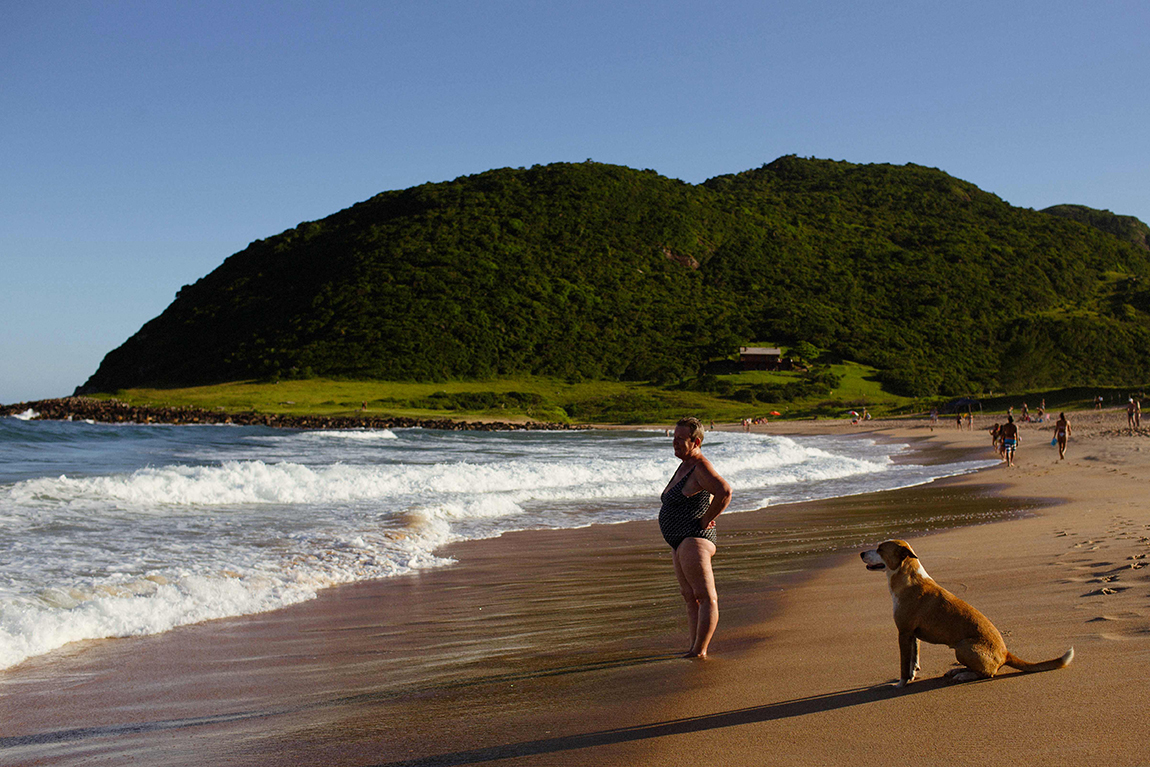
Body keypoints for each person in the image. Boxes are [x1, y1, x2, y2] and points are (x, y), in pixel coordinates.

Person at [660, 416, 732, 658]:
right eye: (674, 438)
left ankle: (700, 650)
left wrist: (706, 519)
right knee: (690, 597)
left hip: (694, 538)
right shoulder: (685, 465)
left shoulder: (700, 466)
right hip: (680, 540)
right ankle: (693, 646)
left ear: (696, 441)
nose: (675, 443)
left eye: (681, 439)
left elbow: (724, 491)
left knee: (705, 596)